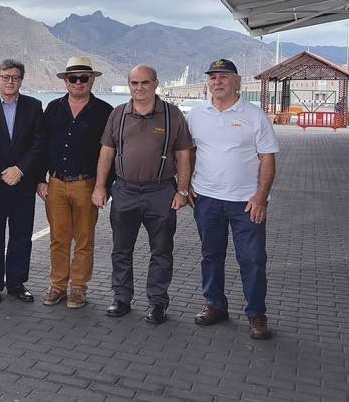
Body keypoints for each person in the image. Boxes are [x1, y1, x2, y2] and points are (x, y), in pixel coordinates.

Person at [92, 65, 193, 324]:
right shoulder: (118, 114)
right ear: (129, 84)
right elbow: (106, 152)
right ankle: (121, 298)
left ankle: (157, 303)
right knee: (121, 249)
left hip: (161, 191)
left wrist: (182, 189)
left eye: (145, 83)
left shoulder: (172, 115)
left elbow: (184, 155)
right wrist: (100, 186)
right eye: (134, 83)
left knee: (161, 250)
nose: (139, 88)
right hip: (125, 190)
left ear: (156, 84)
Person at [188, 59, 279, 339]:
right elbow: (188, 152)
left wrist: (261, 196)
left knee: (252, 259)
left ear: (237, 82)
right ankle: (215, 306)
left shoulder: (254, 115)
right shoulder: (196, 114)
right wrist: (185, 185)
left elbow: (267, 157)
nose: (217, 81)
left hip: (245, 202)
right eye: (213, 77)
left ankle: (256, 315)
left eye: (224, 77)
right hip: (207, 200)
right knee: (210, 256)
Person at [37, 57, 113, 309]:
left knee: (84, 239)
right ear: (65, 82)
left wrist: (105, 187)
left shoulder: (105, 111)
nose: (78, 82)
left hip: (86, 184)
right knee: (58, 238)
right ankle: (58, 285)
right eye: (73, 78)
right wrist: (40, 179)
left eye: (83, 78)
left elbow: (110, 151)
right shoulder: (52, 108)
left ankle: (78, 288)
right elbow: (41, 145)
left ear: (92, 80)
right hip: (56, 183)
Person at [0, 59, 44, 304]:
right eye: (5, 77)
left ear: (21, 79)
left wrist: (20, 169)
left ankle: (16, 283)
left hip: (23, 184)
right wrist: (3, 171)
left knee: (21, 235)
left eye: (15, 77)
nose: (10, 81)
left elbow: (38, 144)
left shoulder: (34, 106)